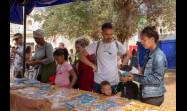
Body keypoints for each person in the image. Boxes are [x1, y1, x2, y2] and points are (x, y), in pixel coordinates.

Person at [79, 23, 131, 93]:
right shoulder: (96, 45)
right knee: (97, 103)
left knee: (114, 103)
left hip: (113, 82)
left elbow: (128, 54)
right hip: (99, 83)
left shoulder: (116, 44)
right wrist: (92, 65)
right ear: (102, 33)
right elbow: (81, 56)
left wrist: (122, 65)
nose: (110, 37)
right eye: (107, 34)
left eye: (111, 34)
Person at [126, 26, 168, 106]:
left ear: (152, 39)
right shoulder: (148, 53)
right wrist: (136, 72)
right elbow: (145, 73)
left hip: (153, 96)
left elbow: (156, 79)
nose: (141, 42)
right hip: (145, 93)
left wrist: (135, 77)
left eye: (144, 40)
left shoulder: (159, 56)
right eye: (141, 39)